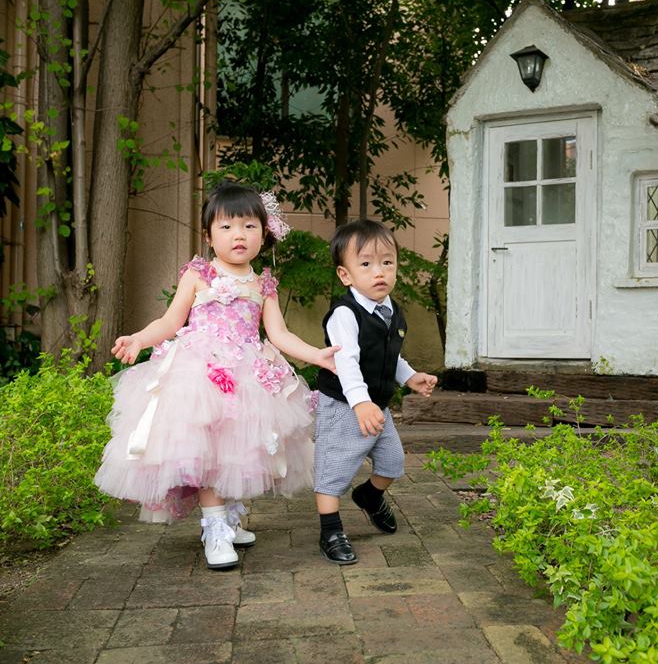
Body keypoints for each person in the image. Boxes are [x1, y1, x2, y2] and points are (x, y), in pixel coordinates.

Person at [94, 182, 340, 570]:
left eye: (248, 226)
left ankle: (226, 517)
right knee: (207, 452)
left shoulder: (263, 285)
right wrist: (140, 339)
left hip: (248, 377)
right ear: (209, 236)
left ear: (264, 233)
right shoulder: (198, 275)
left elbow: (280, 335)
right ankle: (214, 530)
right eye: (226, 227)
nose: (238, 235)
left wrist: (319, 356)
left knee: (236, 451)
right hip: (199, 374)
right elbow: (171, 320)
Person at [313, 219, 437, 564]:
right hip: (343, 404)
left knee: (393, 462)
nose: (379, 272)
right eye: (366, 264)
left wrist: (410, 376)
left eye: (387, 262)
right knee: (334, 468)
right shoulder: (345, 314)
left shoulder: (390, 310)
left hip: (374, 405)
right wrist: (361, 402)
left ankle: (369, 496)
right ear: (345, 275)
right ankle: (330, 530)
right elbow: (348, 362)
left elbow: (388, 354)